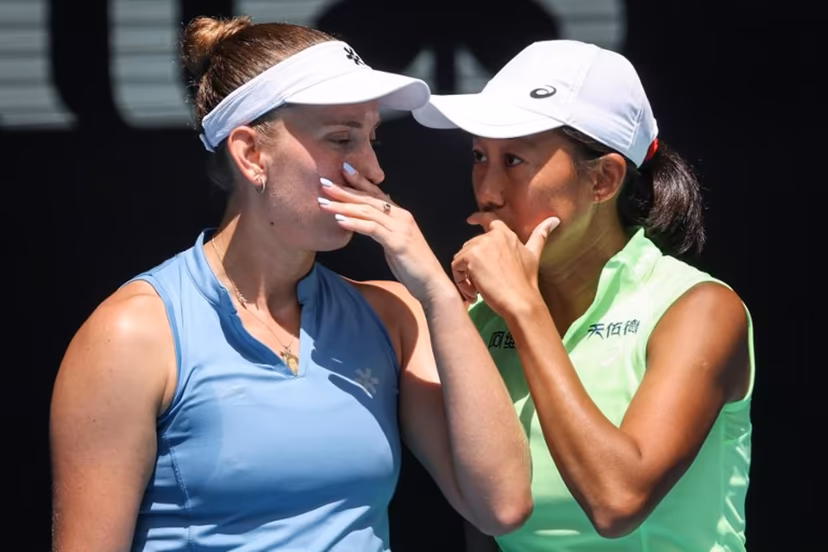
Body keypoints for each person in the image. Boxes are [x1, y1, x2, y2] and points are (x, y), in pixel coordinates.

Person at [49, 15, 533, 552]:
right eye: (342, 138)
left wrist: (436, 292)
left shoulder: (394, 314)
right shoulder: (134, 333)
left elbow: (503, 504)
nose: (372, 170)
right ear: (252, 154)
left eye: (372, 138)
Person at [405, 40, 753, 551]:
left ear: (604, 179)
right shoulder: (481, 315)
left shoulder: (700, 309)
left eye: (515, 159)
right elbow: (484, 519)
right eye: (480, 156)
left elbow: (618, 501)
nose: (489, 191)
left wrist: (524, 310)